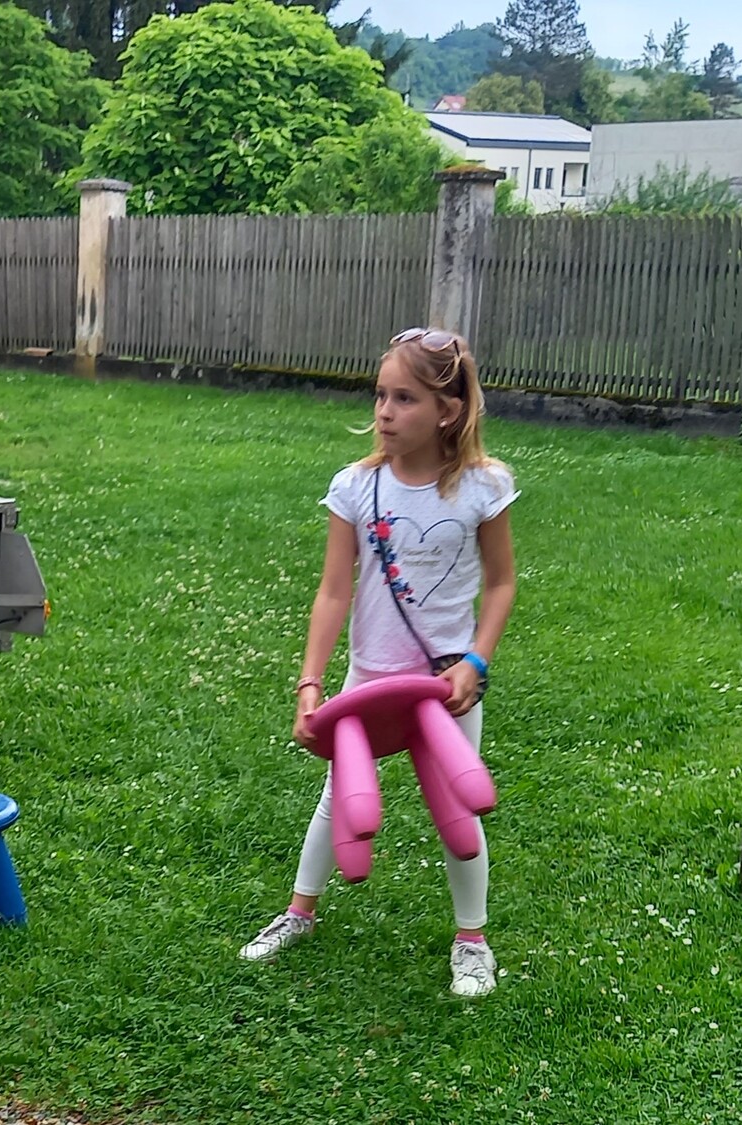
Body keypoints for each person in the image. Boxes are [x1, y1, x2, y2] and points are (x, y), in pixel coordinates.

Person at [238, 327, 517, 998]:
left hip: (446, 687)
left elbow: (502, 583)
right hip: (369, 678)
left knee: (457, 805)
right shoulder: (355, 487)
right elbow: (334, 590)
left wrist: (476, 661)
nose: (384, 412)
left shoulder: (483, 486)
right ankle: (299, 912)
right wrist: (311, 680)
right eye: (381, 396)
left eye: (404, 399)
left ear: (448, 410)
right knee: (339, 796)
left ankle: (472, 941)